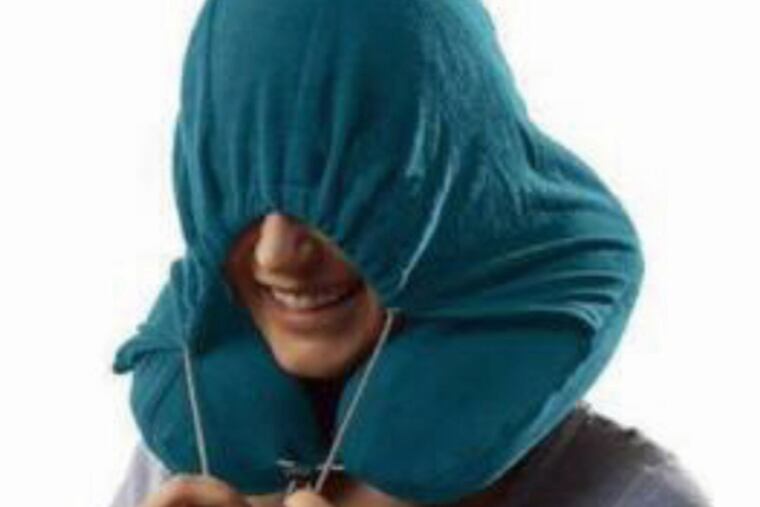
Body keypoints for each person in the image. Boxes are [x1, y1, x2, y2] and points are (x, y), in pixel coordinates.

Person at [109, 0, 712, 506]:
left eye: (342, 188)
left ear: (453, 191)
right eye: (235, 182)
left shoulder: (634, 496)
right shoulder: (179, 470)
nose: (277, 256)